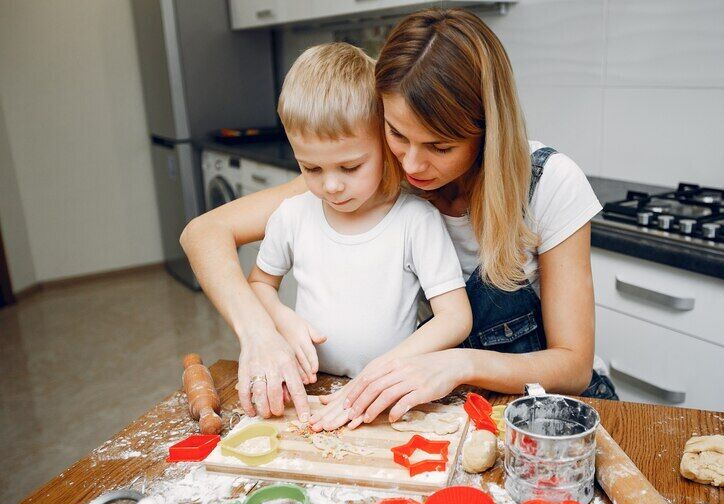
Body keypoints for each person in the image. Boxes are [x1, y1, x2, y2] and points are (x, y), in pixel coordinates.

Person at [180, 8, 617, 430]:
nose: (412, 163)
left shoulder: (549, 184)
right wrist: (260, 332)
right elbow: (204, 233)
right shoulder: (367, 173)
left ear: (487, 133)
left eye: (439, 146)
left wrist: (458, 363)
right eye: (396, 133)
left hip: (545, 412)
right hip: (441, 409)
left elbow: (573, 366)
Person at [245, 43, 472, 423]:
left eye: (350, 167)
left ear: (386, 144)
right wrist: (281, 319)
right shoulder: (292, 216)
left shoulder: (415, 220)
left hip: (388, 392)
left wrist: (382, 371)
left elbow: (455, 318)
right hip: (313, 388)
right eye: (311, 169)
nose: (331, 186)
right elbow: (259, 283)